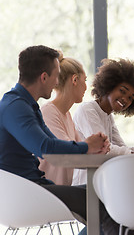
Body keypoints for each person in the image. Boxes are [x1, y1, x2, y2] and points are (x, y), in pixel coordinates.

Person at [0, 45, 119, 235]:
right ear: (44, 77)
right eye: (56, 75)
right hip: (24, 195)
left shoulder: (28, 106)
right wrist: (87, 146)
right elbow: (45, 148)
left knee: (110, 195)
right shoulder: (15, 107)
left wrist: (89, 147)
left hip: (35, 188)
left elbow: (53, 142)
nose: (57, 82)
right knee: (106, 202)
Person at [72, 58, 134, 185]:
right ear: (109, 86)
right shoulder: (87, 110)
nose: (125, 99)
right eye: (122, 91)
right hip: (85, 185)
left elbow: (122, 148)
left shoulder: (108, 115)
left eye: (130, 98)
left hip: (101, 183)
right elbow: (104, 148)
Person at [39, 51, 87, 185]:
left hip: (60, 190)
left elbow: (84, 149)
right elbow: (68, 152)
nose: (86, 87)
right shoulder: (48, 112)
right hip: (46, 191)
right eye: (85, 80)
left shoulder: (67, 115)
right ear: (75, 80)